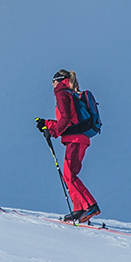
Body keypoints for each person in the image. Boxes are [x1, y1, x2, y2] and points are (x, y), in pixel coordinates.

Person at [37, 68, 98, 222]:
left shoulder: (61, 92)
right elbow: (71, 120)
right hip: (79, 138)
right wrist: (47, 124)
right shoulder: (71, 93)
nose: (52, 85)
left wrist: (53, 132)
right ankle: (78, 208)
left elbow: (66, 118)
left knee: (69, 174)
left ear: (58, 80)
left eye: (53, 82)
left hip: (76, 139)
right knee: (69, 174)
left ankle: (90, 206)